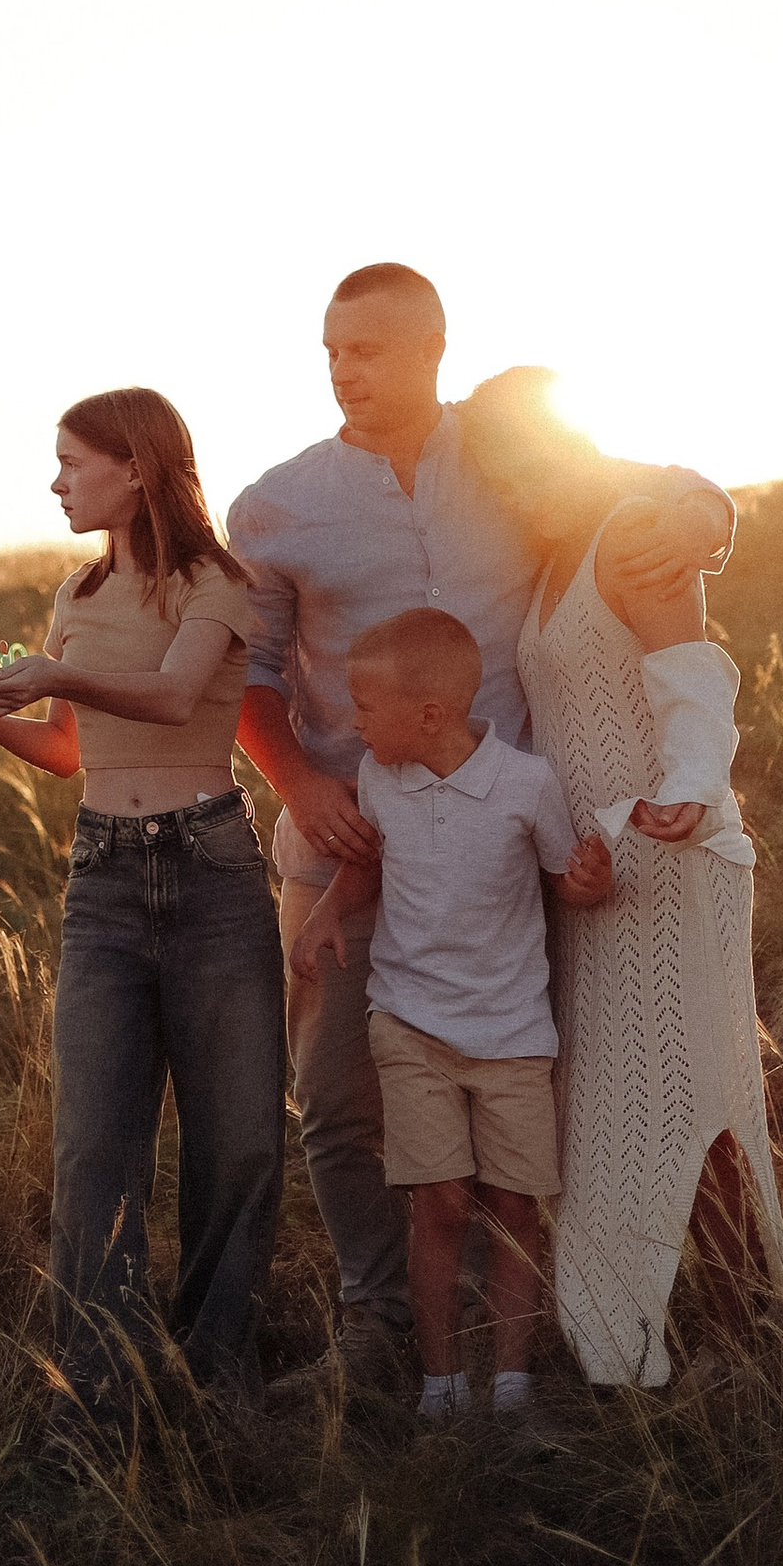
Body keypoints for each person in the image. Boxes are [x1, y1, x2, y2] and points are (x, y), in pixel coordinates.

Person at [229, 265, 734, 1396]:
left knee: (535, 1089)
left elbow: (661, 482)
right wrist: (302, 783)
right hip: (351, 847)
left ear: (431, 350)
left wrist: (708, 513)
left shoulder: (508, 458)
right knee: (347, 1097)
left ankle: (514, 1332)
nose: (342, 371)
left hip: (517, 845)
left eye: (365, 350)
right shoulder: (275, 503)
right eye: (329, 352)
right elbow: (250, 672)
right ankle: (377, 1324)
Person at [457, 367, 783, 1388]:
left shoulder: (635, 534)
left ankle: (741, 1335)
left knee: (696, 1097)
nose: (513, 491)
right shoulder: (555, 553)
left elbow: (692, 678)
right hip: (604, 865)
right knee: (621, 1101)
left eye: (525, 465)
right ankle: (647, 1325)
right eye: (494, 477)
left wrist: (685, 790)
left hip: (674, 853)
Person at [0, 388, 286, 1429]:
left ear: (135, 468)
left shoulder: (217, 583)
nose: (56, 482)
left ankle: (212, 1372)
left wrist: (55, 672)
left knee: (235, 1144)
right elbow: (68, 750)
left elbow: (178, 698)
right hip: (101, 878)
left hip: (211, 875)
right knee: (94, 1145)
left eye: (71, 463)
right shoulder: (76, 592)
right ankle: (96, 1395)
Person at [285, 608, 615, 1427]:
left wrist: (593, 879)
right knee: (438, 1204)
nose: (353, 721)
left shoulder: (525, 784)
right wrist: (327, 911)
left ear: (428, 715)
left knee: (512, 1209)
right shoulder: (379, 778)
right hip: (410, 1025)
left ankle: (508, 1385)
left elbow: (563, 882)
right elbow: (365, 867)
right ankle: (439, 1389)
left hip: (511, 1036)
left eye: (365, 706)